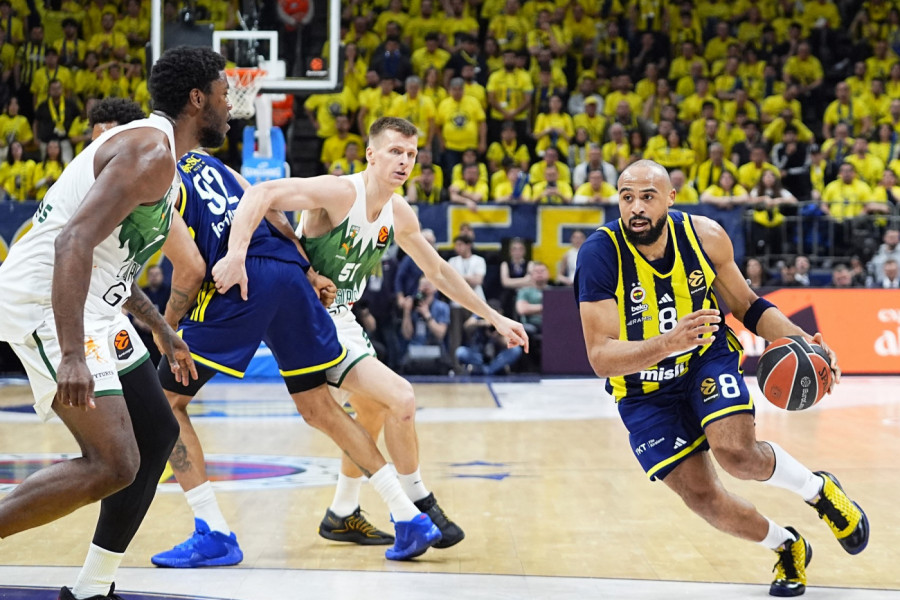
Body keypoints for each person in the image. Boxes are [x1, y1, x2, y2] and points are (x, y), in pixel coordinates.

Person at [212, 116, 528, 552]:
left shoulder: (399, 212)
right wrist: (236, 255)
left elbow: (437, 271)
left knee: (373, 411)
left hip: (341, 314)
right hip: (309, 314)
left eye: (412, 154)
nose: (404, 161)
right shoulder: (341, 192)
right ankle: (419, 501)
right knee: (400, 398)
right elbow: (262, 193)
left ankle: (342, 512)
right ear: (371, 154)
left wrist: (494, 316)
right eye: (395, 151)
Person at [0, 45, 232, 600]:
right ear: (197, 99)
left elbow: (110, 261)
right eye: (224, 94)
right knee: (114, 462)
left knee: (157, 436)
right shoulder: (148, 151)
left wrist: (160, 325)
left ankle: (91, 588)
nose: (231, 105)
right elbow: (72, 242)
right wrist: (73, 352)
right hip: (47, 304)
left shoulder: (163, 160)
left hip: (97, 307)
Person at [576, 160, 869, 597]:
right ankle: (788, 546)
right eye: (627, 197)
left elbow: (749, 306)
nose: (636, 207)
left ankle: (819, 490)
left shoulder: (705, 235)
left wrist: (808, 343)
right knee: (703, 499)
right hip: (642, 392)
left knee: (736, 454)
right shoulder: (600, 253)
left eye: (647, 197)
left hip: (704, 361)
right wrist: (666, 343)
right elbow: (601, 357)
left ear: (670, 198)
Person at [151, 158, 446, 563]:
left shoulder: (152, 172)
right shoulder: (214, 164)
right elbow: (272, 212)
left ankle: (213, 530)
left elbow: (192, 268)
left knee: (165, 403)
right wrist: (307, 273)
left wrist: (165, 327)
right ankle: (407, 515)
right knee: (319, 408)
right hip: (290, 273)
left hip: (241, 282)